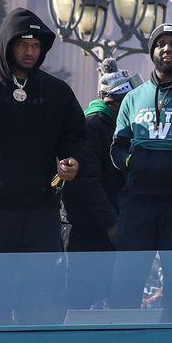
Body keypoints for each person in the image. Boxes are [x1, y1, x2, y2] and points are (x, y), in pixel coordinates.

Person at [0, 8, 87, 325]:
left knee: (38, 301)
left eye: (36, 45)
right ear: (7, 44)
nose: (29, 51)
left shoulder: (57, 92)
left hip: (42, 212)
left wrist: (72, 161)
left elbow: (76, 137)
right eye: (23, 44)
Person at [109, 24, 172, 321]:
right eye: (161, 44)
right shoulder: (134, 97)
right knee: (126, 279)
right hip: (138, 201)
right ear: (152, 52)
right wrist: (132, 163)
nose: (167, 49)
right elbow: (117, 146)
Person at [61, 58, 132, 310]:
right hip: (85, 229)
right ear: (115, 103)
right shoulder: (92, 127)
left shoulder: (111, 128)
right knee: (80, 302)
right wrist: (112, 224)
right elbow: (88, 182)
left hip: (101, 226)